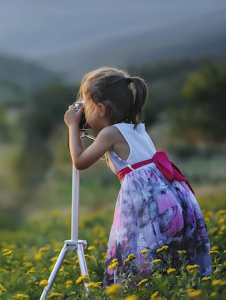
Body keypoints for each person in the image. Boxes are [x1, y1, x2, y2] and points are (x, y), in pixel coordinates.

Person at [63, 67, 212, 285]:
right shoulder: (137, 128)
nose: (83, 111)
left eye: (86, 105)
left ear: (101, 109)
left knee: (137, 256)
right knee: (170, 261)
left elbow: (79, 161)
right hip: (175, 200)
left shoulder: (110, 133)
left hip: (148, 207)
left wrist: (72, 126)